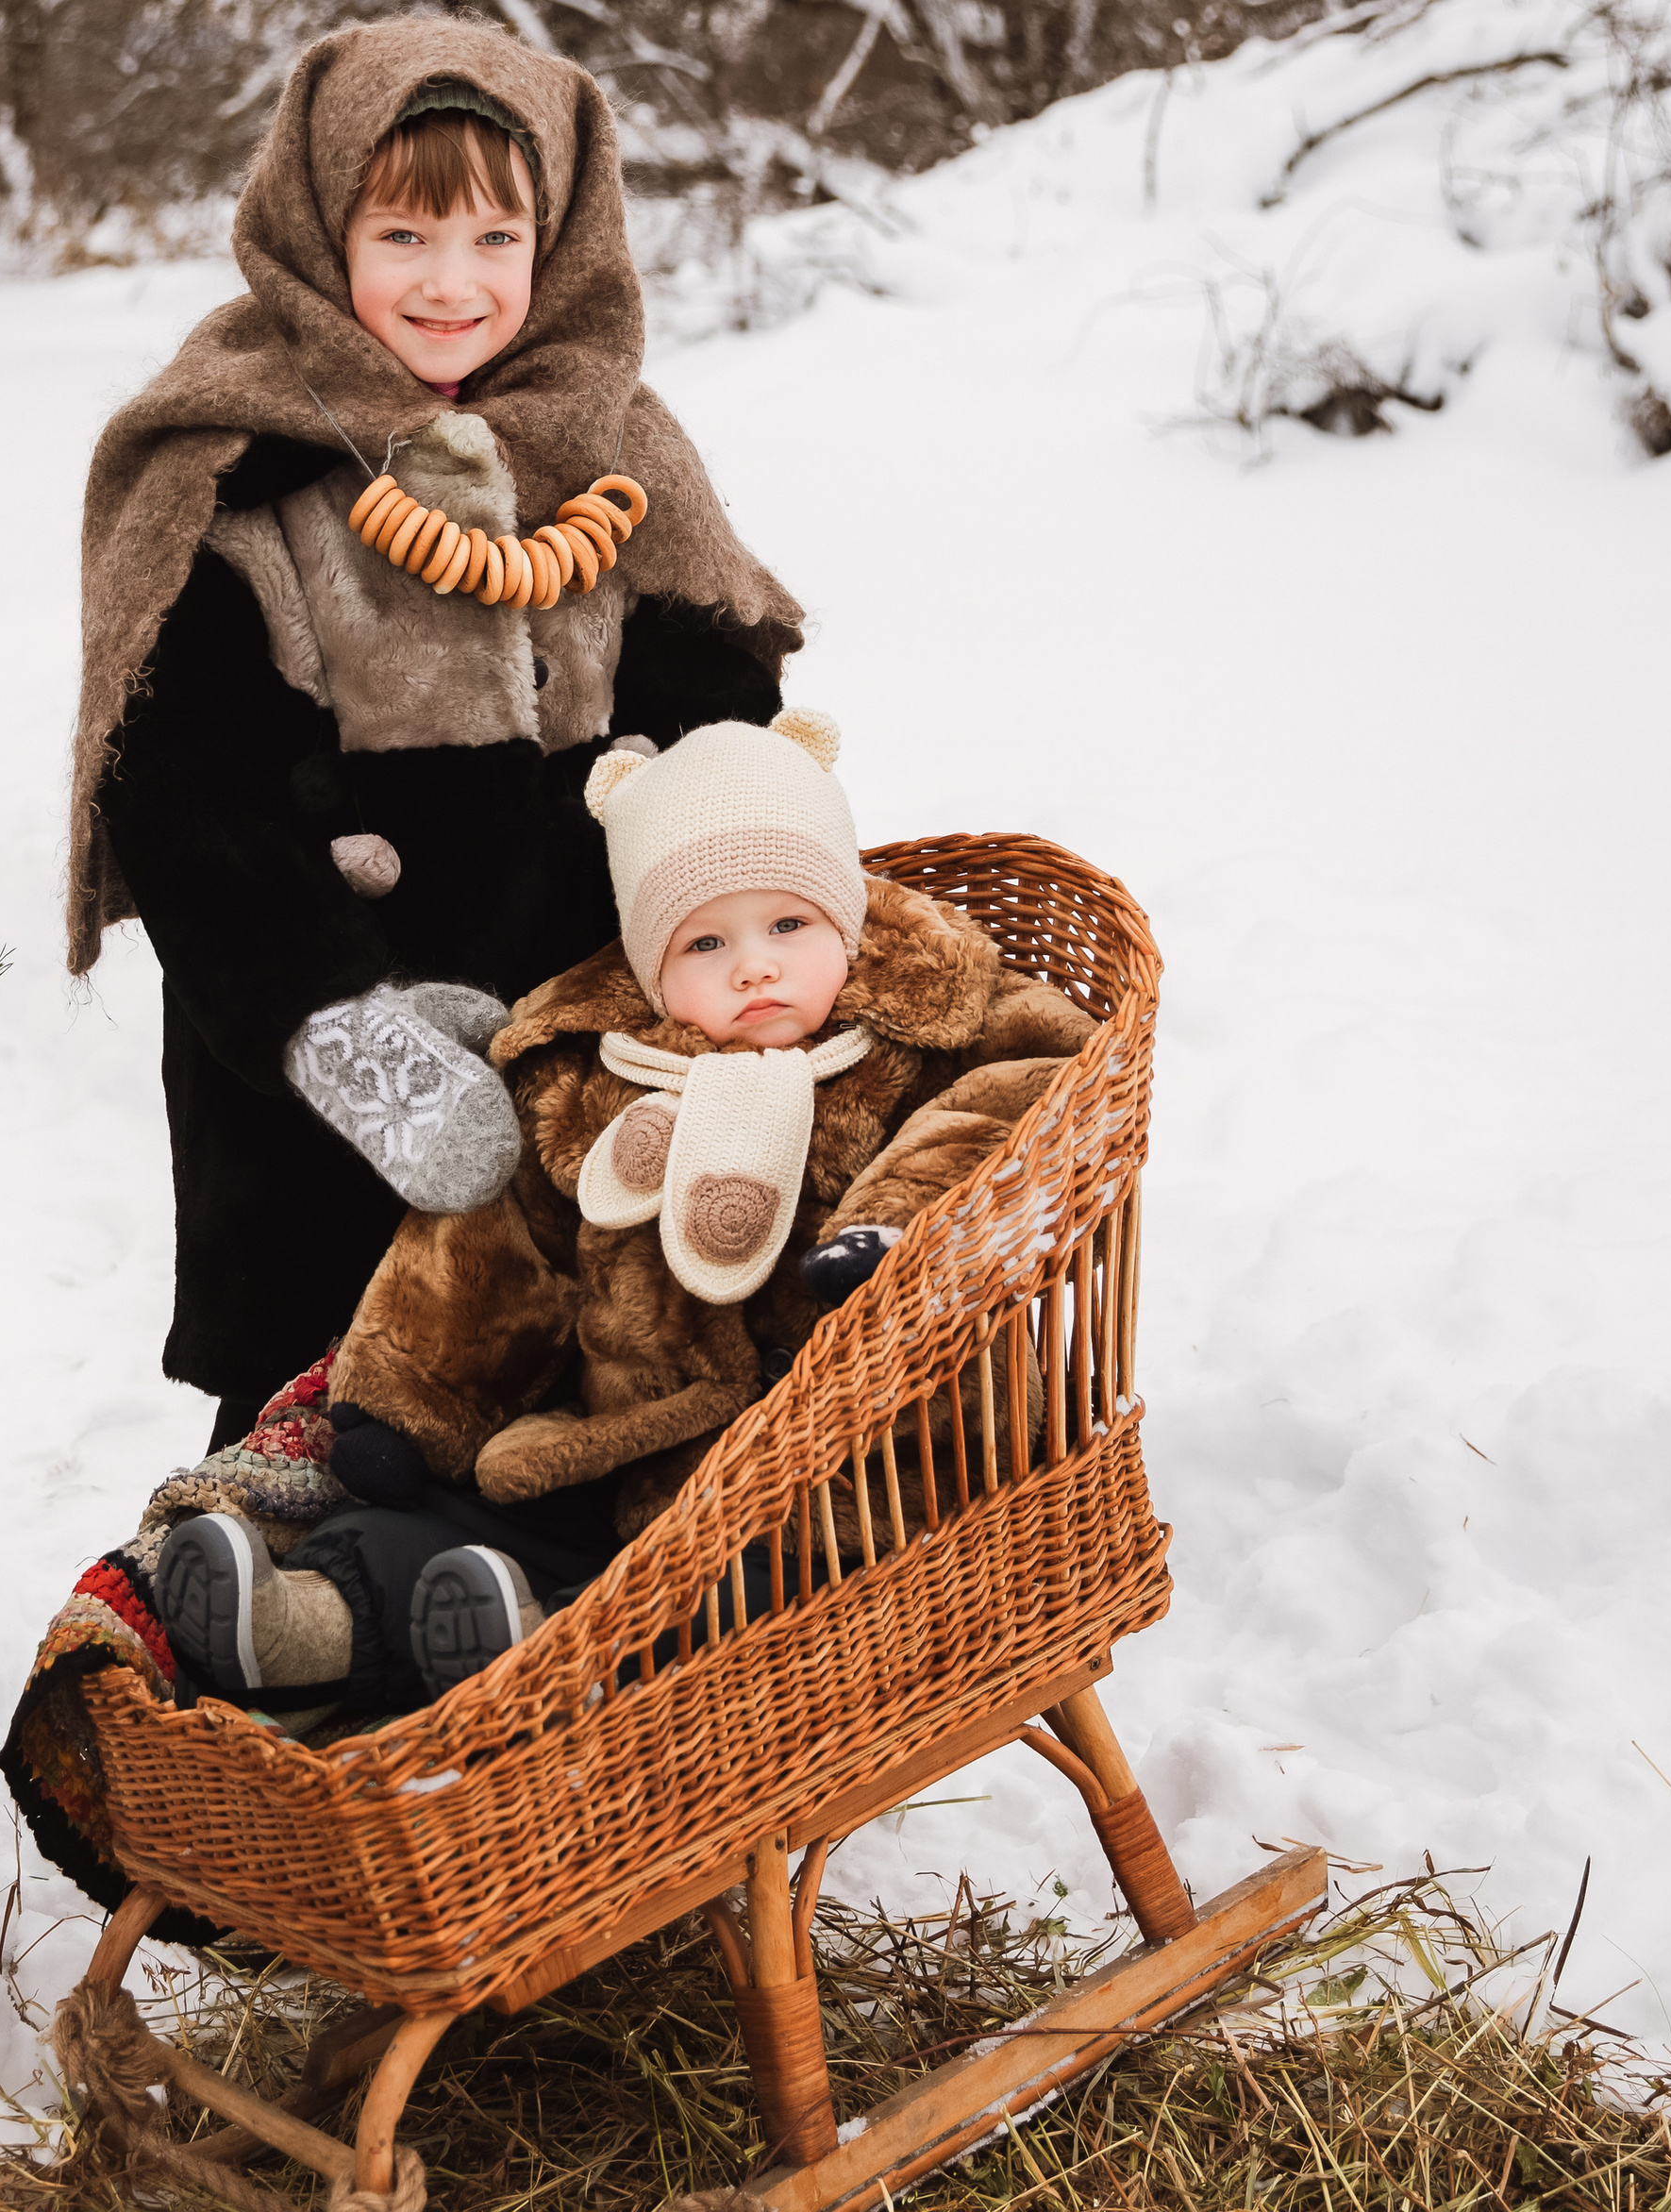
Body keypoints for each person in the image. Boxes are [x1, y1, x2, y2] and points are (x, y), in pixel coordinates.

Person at [69, 20, 805, 1460]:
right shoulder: (234, 465)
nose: (453, 283)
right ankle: (253, 1623)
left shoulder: (613, 451)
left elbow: (722, 728)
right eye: (402, 232)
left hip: (589, 1057)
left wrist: (751, 920)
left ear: (562, 237)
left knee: (587, 1408)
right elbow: (186, 796)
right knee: (333, 1409)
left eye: (495, 234)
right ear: (315, 222)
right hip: (331, 1078)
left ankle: (555, 1644)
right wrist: (345, 1035)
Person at [154, 712, 1098, 1719]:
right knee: (456, 1515)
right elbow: (492, 1253)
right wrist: (406, 1407)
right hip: (626, 1451)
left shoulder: (930, 1037)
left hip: (845, 1473)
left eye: (788, 925)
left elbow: (1021, 1093)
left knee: (727, 1585)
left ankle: (570, 1665)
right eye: (705, 940)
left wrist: (893, 1228)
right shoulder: (597, 1077)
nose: (753, 966)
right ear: (652, 971)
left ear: (848, 926)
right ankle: (303, 1626)